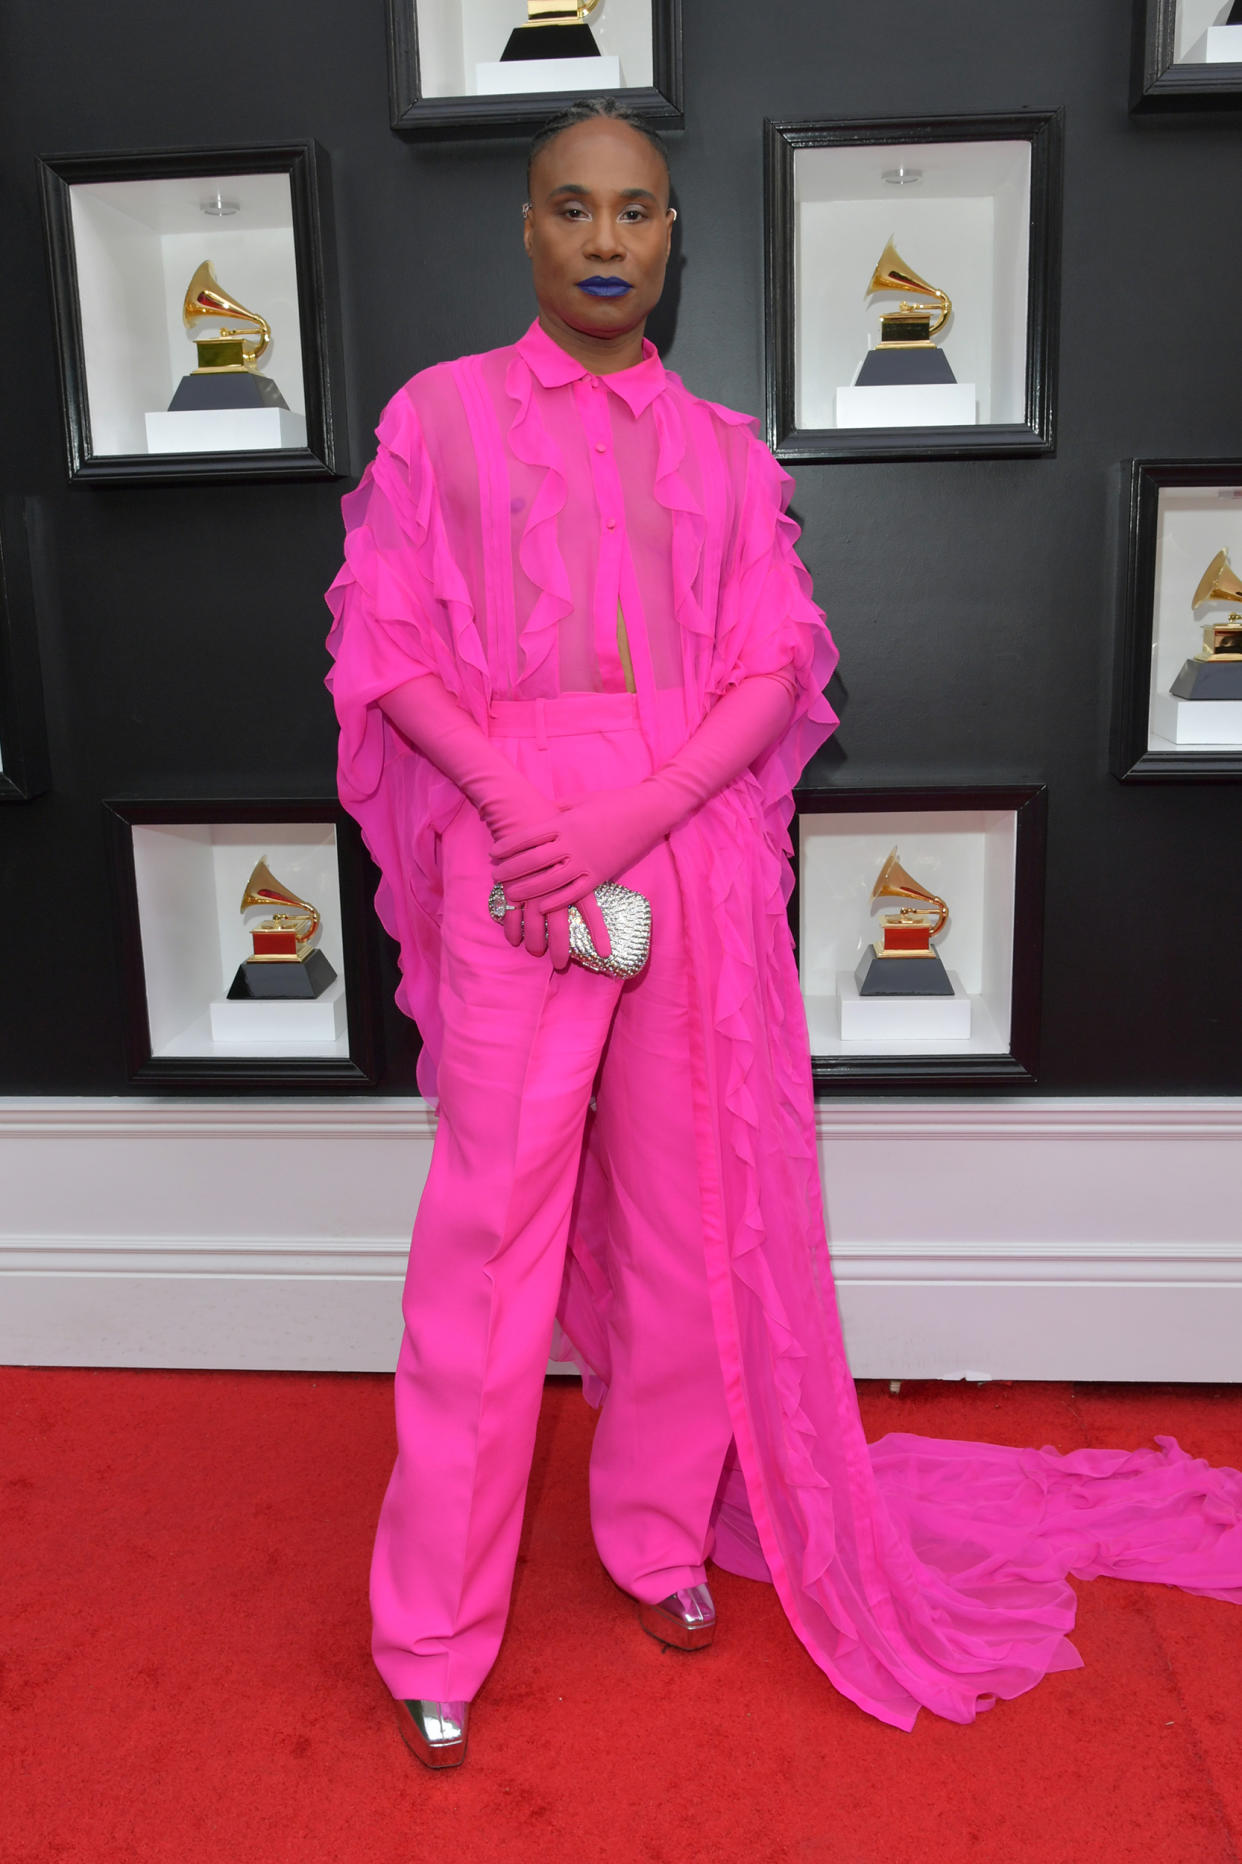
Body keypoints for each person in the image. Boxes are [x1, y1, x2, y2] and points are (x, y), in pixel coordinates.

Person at [326, 99, 1242, 1770]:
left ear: (674, 241)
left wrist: (631, 807)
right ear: (525, 230)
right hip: (508, 851)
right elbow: (384, 649)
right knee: (485, 1247)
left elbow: (771, 671)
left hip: (683, 852)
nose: (607, 239)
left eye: (639, 212)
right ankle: (429, 1628)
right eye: (573, 208)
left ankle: (654, 1537)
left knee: (691, 1230)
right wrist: (525, 810)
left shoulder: (729, 455)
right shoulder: (435, 423)